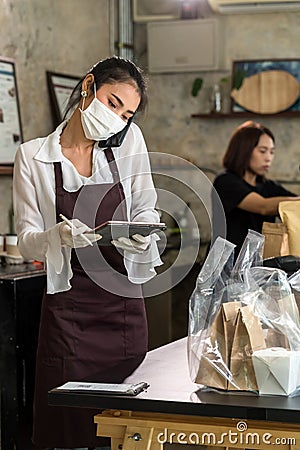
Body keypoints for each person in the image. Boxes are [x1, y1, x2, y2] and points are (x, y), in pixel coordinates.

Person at [13, 56, 163, 450]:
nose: (118, 119)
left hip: (123, 307)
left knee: (127, 426)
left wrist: (142, 234)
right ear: (88, 87)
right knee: (69, 426)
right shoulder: (33, 157)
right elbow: (25, 239)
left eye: (127, 113)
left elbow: (146, 204)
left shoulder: (129, 143)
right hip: (69, 311)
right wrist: (56, 237)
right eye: (113, 103)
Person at [212, 121, 299, 259]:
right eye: (263, 151)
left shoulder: (268, 186)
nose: (268, 158)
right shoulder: (225, 182)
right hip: (225, 266)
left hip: (255, 267)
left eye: (272, 152)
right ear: (244, 151)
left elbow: (295, 204)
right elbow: (262, 206)